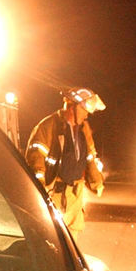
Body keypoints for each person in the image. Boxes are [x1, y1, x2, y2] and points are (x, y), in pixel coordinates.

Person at [25, 88, 106, 241]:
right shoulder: (49, 126)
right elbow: (36, 159)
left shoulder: (83, 130)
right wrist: (39, 192)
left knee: (71, 245)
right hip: (55, 194)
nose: (87, 114)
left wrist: (97, 182)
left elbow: (89, 158)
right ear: (71, 107)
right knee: (51, 239)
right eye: (84, 109)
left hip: (75, 196)